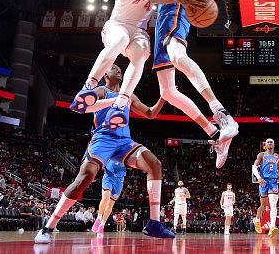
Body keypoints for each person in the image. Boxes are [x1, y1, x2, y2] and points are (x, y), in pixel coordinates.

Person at [69, 0, 207, 129]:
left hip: (138, 30)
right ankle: (88, 87)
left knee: (142, 51)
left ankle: (121, 102)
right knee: (120, 40)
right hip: (118, 25)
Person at [35, 64, 175, 243]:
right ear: (106, 75)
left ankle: (154, 223)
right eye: (114, 68)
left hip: (124, 142)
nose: (119, 70)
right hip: (103, 138)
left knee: (155, 164)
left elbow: (150, 113)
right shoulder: (101, 90)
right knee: (84, 179)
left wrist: (164, 97)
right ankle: (49, 226)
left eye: (120, 69)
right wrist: (105, 98)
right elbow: (84, 105)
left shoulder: (129, 94)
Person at [152, 0, 238, 169]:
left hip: (176, 20)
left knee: (178, 58)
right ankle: (215, 134)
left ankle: (222, 113)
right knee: (167, 92)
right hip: (162, 26)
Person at [252, 138, 279, 236]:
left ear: (274, 145)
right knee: (263, 206)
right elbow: (254, 167)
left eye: (271, 142)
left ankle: (272, 227)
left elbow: (278, 169)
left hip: (273, 182)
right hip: (263, 181)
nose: (270, 143)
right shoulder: (261, 155)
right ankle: (256, 220)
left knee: (273, 205)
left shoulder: (278, 156)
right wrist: (258, 178)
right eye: (268, 142)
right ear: (265, 144)